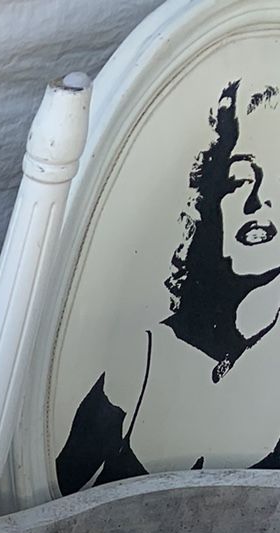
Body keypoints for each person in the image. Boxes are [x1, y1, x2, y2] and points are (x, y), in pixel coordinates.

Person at [56, 78, 280, 492]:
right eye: (239, 182)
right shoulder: (143, 357)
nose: (258, 202)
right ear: (208, 203)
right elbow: (48, 500)